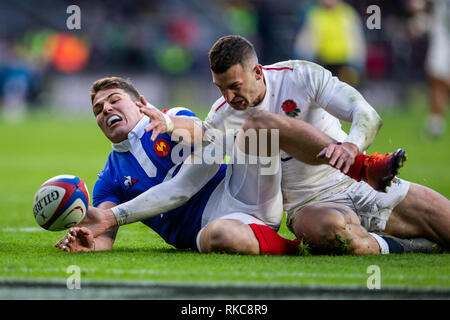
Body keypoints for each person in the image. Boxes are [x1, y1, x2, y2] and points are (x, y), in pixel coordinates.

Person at [138, 35, 449, 255]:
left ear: (258, 72)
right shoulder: (224, 114)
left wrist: (352, 147)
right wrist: (166, 123)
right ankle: (411, 247)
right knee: (337, 237)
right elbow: (203, 135)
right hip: (309, 207)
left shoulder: (299, 76)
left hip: (359, 185)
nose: (229, 97)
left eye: (234, 86)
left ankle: (366, 174)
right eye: (220, 89)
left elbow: (366, 114)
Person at [55, 76, 300, 255]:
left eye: (114, 100)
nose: (106, 109)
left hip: (242, 191)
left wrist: (170, 123)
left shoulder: (174, 117)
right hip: (207, 232)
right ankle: (291, 248)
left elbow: (204, 146)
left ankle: (317, 187)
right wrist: (88, 244)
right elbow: (104, 234)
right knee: (221, 235)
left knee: (259, 128)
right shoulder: (108, 180)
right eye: (98, 110)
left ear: (141, 103)